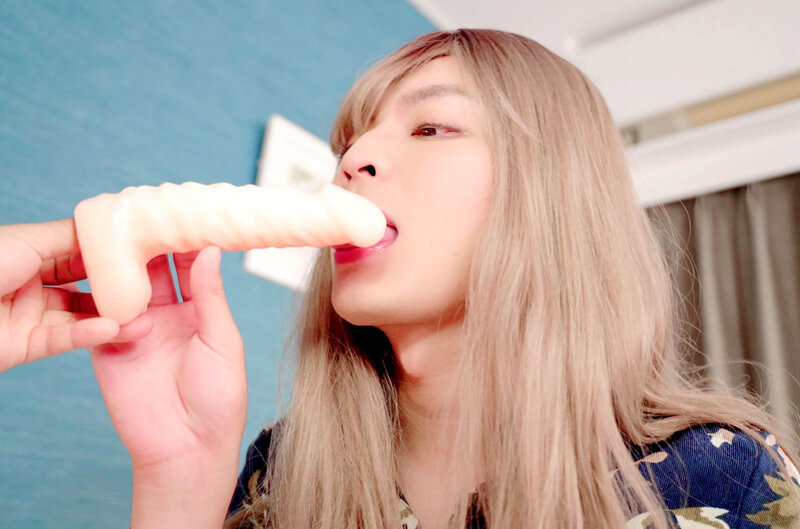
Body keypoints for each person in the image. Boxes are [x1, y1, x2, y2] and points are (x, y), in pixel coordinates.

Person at [1, 28, 799, 529]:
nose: (353, 159)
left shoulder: (721, 476)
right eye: (347, 142)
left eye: (431, 126)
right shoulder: (284, 475)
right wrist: (177, 477)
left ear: (552, 197)